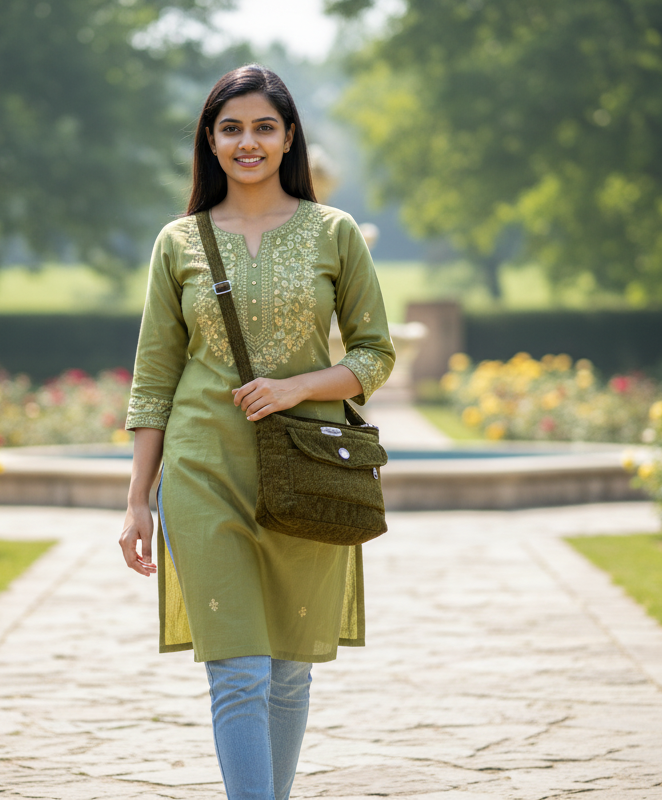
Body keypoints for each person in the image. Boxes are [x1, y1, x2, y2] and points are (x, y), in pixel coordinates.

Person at [119, 64, 396, 800]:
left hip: (306, 470)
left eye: (264, 127)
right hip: (201, 470)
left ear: (289, 137)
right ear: (210, 141)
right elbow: (153, 379)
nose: (248, 142)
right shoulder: (178, 241)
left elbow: (375, 354)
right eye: (232, 128)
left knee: (288, 671)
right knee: (237, 670)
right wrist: (138, 499)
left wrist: (296, 388)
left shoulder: (334, 233)